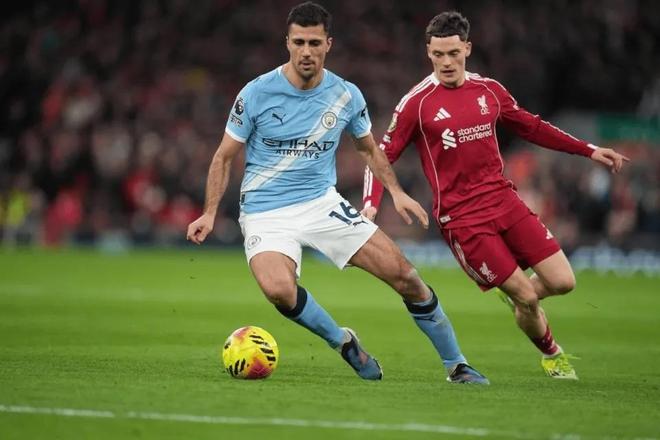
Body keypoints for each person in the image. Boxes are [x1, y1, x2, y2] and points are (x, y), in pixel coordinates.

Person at [186, 2, 488, 384]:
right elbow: (224, 155)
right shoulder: (257, 93)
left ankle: (457, 364)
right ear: (287, 43)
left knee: (406, 276)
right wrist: (209, 212)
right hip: (266, 211)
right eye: (299, 42)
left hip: (321, 203)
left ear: (328, 44)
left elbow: (369, 150)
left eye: (314, 43)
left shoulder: (346, 95)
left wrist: (396, 192)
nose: (306, 51)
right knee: (279, 290)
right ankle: (343, 342)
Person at [362, 11, 630, 380]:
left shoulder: (488, 90)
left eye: (453, 53)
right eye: (438, 54)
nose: (446, 62)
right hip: (462, 218)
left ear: (467, 49)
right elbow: (379, 155)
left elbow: (531, 126)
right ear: (428, 53)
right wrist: (372, 203)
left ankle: (515, 291)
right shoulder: (416, 103)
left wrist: (588, 150)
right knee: (528, 297)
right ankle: (552, 354)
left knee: (563, 282)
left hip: (505, 201)